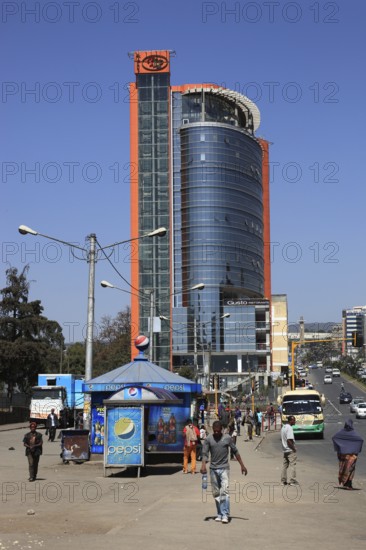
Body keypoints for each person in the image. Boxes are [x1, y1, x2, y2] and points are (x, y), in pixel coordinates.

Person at [200, 420, 247, 524]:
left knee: (224, 491)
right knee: (216, 492)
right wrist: (203, 465)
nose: (216, 433)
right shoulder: (208, 439)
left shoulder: (227, 438)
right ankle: (219, 513)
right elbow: (205, 453)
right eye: (215, 431)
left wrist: (242, 465)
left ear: (221, 429)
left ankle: (225, 514)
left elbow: (235, 451)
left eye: (218, 431)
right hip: (213, 469)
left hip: (224, 468)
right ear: (212, 430)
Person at [332, 419, 364, 490]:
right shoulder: (354, 433)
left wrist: (340, 448)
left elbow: (334, 438)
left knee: (344, 468)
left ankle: (346, 483)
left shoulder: (341, 432)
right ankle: (349, 484)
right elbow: (360, 440)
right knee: (350, 469)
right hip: (351, 457)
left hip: (343, 456)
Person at [281, 415, 298, 486]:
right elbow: (289, 440)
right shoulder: (289, 428)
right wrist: (293, 449)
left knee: (285, 465)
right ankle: (292, 481)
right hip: (290, 450)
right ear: (290, 421)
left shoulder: (283, 427)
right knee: (293, 465)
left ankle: (283, 480)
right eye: (294, 420)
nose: (295, 421)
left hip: (285, 450)